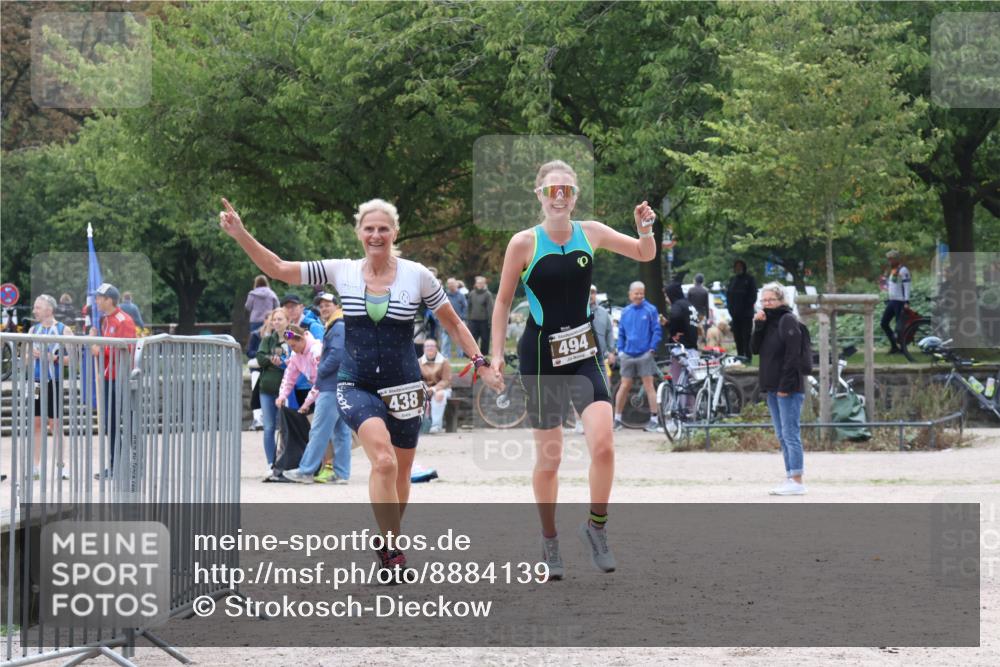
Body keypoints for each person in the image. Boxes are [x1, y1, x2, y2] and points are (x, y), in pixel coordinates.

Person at [219, 196, 498, 577]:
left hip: (404, 385)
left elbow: (452, 323)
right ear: (359, 234)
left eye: (384, 228)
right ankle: (391, 553)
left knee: (400, 473)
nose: (376, 235)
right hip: (357, 382)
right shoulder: (342, 271)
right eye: (369, 228)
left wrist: (480, 362)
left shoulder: (418, 276)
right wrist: (240, 233)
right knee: (382, 460)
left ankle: (387, 542)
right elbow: (280, 269)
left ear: (394, 232)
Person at [488, 160, 657, 579]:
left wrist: (646, 230)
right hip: (541, 356)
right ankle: (549, 540)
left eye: (567, 189)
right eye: (552, 190)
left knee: (603, 445)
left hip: (583, 351)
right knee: (551, 459)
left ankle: (596, 527)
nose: (559, 196)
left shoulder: (592, 233)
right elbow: (502, 302)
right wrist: (495, 354)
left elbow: (643, 254)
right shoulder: (523, 243)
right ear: (540, 195)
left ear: (575, 195)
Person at [282, 294, 353, 484]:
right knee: (341, 432)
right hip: (341, 385)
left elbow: (336, 354)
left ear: (336, 306)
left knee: (319, 430)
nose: (323, 308)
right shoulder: (337, 325)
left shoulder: (337, 326)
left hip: (330, 386)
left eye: (328, 305)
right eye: (321, 306)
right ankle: (342, 474)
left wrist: (320, 371)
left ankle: (305, 471)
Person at [751, 282, 806, 496]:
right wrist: (759, 326)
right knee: (781, 434)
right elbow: (754, 349)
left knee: (791, 433)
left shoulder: (788, 320)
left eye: (771, 300)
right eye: (763, 300)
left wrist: (785, 385)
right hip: (771, 386)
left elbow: (794, 356)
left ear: (781, 300)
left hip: (788, 387)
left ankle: (797, 479)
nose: (766, 304)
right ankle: (790, 475)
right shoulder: (768, 322)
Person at [89, 283, 137, 479]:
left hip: (121, 378)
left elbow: (125, 349)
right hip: (110, 377)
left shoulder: (123, 320)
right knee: (111, 423)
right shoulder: (105, 320)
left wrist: (99, 348)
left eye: (100, 298)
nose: (96, 301)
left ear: (110, 300)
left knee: (121, 422)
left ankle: (128, 465)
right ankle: (115, 464)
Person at [30, 295, 73, 480]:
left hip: (54, 381)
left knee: (55, 425)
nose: (34, 311)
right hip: (37, 382)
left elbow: (73, 360)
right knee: (37, 423)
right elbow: (25, 360)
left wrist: (53, 358)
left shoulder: (64, 330)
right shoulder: (33, 329)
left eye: (38, 307)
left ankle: (61, 466)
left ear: (49, 309)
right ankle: (35, 467)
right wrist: (30, 355)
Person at [615, 281, 663, 433]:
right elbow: (621, 332)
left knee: (649, 386)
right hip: (627, 354)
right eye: (636, 293)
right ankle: (617, 419)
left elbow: (657, 330)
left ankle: (654, 420)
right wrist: (620, 350)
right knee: (624, 386)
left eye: (641, 293)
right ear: (630, 295)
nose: (639, 296)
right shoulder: (625, 312)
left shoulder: (651, 310)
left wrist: (652, 348)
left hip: (644, 354)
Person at [255, 308, 291, 470]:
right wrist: (271, 360)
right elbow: (260, 357)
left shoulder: (291, 337)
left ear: (287, 321)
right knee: (269, 427)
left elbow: (294, 359)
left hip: (286, 390)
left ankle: (284, 460)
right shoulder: (268, 339)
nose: (276, 322)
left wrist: (282, 362)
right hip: (266, 389)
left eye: (280, 319)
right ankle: (271, 462)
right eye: (274, 319)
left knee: (285, 427)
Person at [727, 259, 758, 361]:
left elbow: (753, 296)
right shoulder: (732, 280)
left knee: (746, 336)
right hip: (735, 315)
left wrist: (744, 308)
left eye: (740, 266)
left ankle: (747, 356)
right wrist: (731, 310)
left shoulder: (750, 279)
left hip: (746, 314)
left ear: (744, 267)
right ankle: (739, 355)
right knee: (737, 336)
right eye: (736, 267)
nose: (738, 268)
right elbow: (729, 296)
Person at [881, 250, 911, 354]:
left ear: (897, 259)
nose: (890, 261)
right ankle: (894, 346)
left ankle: (903, 348)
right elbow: (892, 286)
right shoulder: (893, 271)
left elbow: (907, 286)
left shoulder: (903, 270)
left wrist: (907, 301)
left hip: (900, 301)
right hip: (892, 301)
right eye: (888, 259)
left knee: (900, 326)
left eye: (892, 259)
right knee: (884, 323)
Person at [419, 338, 452, 434]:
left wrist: (434, 389)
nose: (430, 348)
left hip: (443, 389)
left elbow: (446, 380)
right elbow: (417, 379)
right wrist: (424, 387)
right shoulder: (419, 362)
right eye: (427, 346)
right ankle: (420, 426)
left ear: (436, 348)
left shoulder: (444, 361)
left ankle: (436, 426)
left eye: (432, 346)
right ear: (424, 349)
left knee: (439, 395)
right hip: (425, 389)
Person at [440, 278, 468, 359]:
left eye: (452, 283)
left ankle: (460, 357)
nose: (451, 285)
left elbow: (465, 308)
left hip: (458, 321)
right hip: (446, 321)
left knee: (459, 340)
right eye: (449, 283)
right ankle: (445, 357)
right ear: (447, 285)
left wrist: (462, 318)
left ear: (456, 284)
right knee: (445, 341)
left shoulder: (461, 296)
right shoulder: (444, 295)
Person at [467, 275, 494, 355]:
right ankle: (473, 354)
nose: (480, 285)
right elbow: (469, 307)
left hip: (484, 321)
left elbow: (490, 308)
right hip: (473, 320)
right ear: (476, 284)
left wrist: (490, 321)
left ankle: (484, 354)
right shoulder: (472, 294)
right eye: (478, 283)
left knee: (485, 339)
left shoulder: (487, 294)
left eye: (481, 283)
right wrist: (469, 319)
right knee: (473, 338)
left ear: (484, 284)